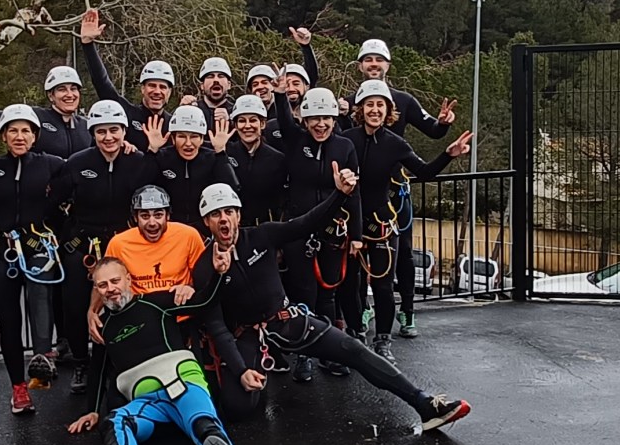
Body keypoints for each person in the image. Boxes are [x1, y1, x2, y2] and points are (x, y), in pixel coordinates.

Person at [193, 180, 471, 432]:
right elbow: (217, 326)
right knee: (237, 408)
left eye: (229, 211)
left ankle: (424, 403)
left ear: (239, 215)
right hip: (249, 335)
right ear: (207, 221)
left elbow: (307, 222)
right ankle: (256, 376)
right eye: (216, 214)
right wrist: (241, 371)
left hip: (286, 320)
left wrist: (340, 195)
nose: (224, 219)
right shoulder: (205, 267)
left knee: (354, 349)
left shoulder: (262, 236)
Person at [67, 256, 247, 445]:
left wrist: (218, 274)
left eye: (115, 281)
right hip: (148, 402)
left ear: (128, 279)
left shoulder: (156, 303)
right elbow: (98, 368)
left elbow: (204, 301)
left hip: (181, 382)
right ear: (97, 290)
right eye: (103, 285)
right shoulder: (102, 326)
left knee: (203, 424)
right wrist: (93, 410)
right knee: (115, 420)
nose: (111, 289)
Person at [341, 80, 472, 362]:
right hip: (351, 223)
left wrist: (448, 155)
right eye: (369, 105)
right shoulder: (346, 140)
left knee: (383, 285)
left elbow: (423, 172)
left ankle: (383, 340)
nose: (374, 110)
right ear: (360, 109)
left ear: (389, 110)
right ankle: (354, 335)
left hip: (381, 223)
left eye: (380, 105)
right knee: (351, 284)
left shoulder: (395, 144)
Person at [48, 99, 146, 394]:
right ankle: (81, 362)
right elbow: (53, 202)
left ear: (124, 131)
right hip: (83, 244)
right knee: (76, 305)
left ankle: (123, 360)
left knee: (124, 304)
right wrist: (62, 236)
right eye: (101, 131)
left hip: (121, 244)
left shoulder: (136, 161)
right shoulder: (78, 163)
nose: (108, 137)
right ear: (92, 133)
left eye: (114, 130)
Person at [272, 78, 362, 382]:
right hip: (299, 227)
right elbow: (284, 119)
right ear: (305, 119)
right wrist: (280, 94)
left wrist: (358, 236)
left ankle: (329, 354)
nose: (320, 124)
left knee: (328, 294)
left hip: (333, 230)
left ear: (334, 119)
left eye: (326, 118)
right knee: (303, 293)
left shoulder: (345, 146)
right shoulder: (296, 140)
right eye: (314, 119)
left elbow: (354, 192)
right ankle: (304, 355)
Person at [0, 104, 65, 414]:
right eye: (13, 130)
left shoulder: (51, 164)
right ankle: (18, 388)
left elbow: (79, 179)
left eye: (26, 130)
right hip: (1, 251)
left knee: (41, 302)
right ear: (4, 135)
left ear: (35, 136)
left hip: (37, 246)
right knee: (8, 321)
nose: (20, 136)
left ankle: (43, 358)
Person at [79, 7, 173, 151]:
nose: (157, 91)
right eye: (152, 85)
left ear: (169, 92)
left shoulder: (175, 123)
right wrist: (88, 44)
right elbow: (102, 83)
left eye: (163, 87)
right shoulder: (126, 112)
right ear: (142, 89)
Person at [140, 106, 239, 233]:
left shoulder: (212, 158)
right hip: (169, 229)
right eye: (182, 136)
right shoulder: (162, 157)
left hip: (204, 229)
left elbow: (232, 189)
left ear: (202, 139)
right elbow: (139, 185)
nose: (188, 143)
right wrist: (152, 151)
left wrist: (221, 153)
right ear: (173, 139)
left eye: (194, 137)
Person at [226, 96, 287, 226]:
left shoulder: (277, 159)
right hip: (233, 227)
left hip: (264, 229)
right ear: (235, 125)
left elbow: (281, 201)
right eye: (242, 121)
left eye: (253, 120)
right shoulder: (226, 153)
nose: (247, 126)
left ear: (263, 124)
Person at [178, 58, 234, 132]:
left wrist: (231, 123)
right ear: (202, 85)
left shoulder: (236, 112)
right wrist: (181, 112)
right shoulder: (193, 108)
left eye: (221, 76)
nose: (216, 80)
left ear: (229, 85)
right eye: (210, 76)